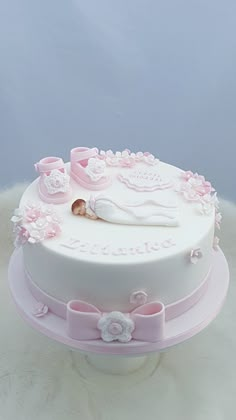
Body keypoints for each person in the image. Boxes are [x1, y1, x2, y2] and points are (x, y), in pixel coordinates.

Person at [71, 195, 179, 226]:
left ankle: (167, 214)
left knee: (129, 214)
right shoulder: (91, 203)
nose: (81, 213)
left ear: (82, 203)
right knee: (130, 211)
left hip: (107, 209)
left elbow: (94, 217)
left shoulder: (90, 207)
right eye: (78, 214)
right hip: (107, 207)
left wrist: (92, 217)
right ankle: (166, 214)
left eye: (80, 210)